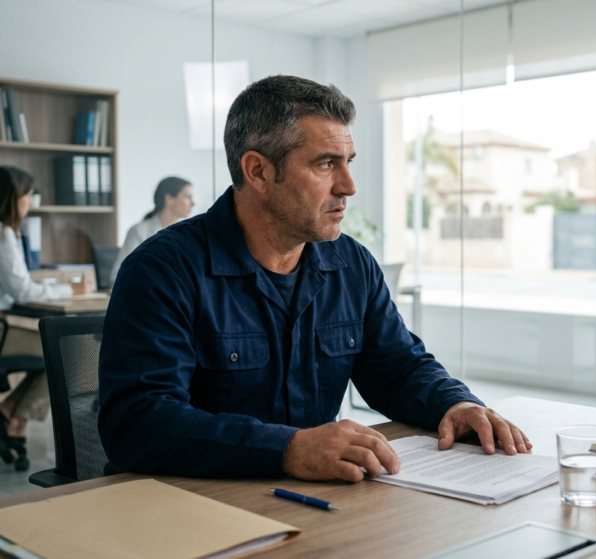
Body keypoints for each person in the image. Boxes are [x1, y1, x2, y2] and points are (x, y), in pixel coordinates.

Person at [98, 75, 531, 481]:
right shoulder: (162, 270)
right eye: (326, 164)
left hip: (312, 499)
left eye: (348, 162)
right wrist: (288, 448)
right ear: (258, 172)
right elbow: (138, 422)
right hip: (192, 508)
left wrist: (453, 402)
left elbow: (397, 368)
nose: (348, 185)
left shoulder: (352, 264)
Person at [0, 165, 94, 469]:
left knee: (58, 349)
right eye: (27, 196)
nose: (30, 203)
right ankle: (17, 414)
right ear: (12, 198)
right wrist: (73, 288)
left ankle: (12, 410)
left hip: (4, 326)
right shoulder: (3, 233)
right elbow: (24, 291)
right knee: (70, 350)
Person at [109, 176, 193, 282]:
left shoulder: (185, 234)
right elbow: (118, 275)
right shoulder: (140, 231)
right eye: (188, 197)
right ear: (169, 199)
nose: (193, 203)